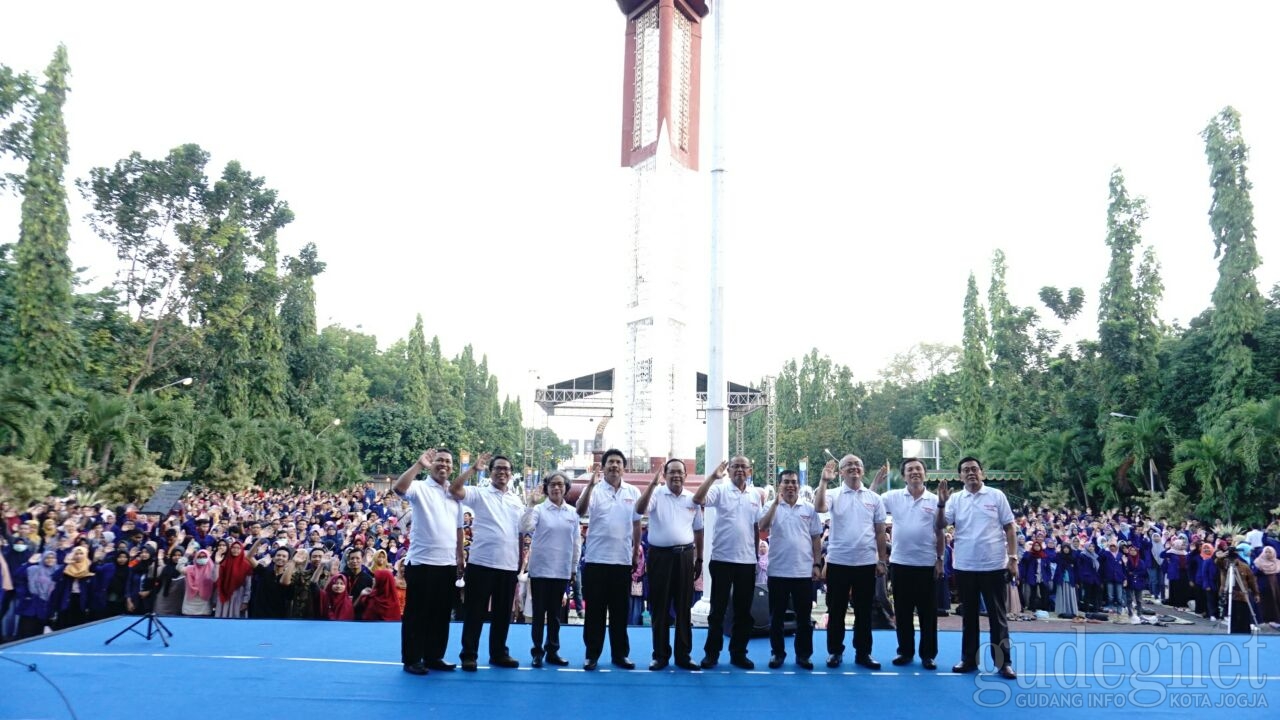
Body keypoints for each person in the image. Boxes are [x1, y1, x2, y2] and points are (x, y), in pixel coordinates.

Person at [936, 456, 1018, 680]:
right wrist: (941, 503)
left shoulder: (996, 496)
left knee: (997, 617)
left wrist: (1013, 558)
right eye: (965, 470)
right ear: (960, 476)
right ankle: (969, 659)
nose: (970, 473)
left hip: (993, 565)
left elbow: (1010, 528)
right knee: (969, 616)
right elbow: (941, 525)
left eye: (974, 469)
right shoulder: (955, 500)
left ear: (982, 472)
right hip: (965, 566)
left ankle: (1003, 663)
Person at [450, 453, 524, 671]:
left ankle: (499, 653)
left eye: (506, 469)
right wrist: (473, 469)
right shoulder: (479, 494)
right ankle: (469, 654)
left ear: (511, 474)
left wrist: (519, 560)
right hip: (482, 562)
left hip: (508, 564)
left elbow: (521, 531)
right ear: (490, 472)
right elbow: (454, 490)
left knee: (503, 614)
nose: (502, 472)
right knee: (475, 612)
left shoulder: (516, 500)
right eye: (498, 468)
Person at [394, 448, 464, 676]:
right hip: (422, 562)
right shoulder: (420, 488)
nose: (443, 464)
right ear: (431, 464)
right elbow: (399, 488)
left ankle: (435, 656)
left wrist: (460, 557)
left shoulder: (455, 492)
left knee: (441, 613)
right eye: (439, 460)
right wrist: (418, 464)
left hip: (447, 563)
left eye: (448, 461)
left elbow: (459, 528)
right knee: (417, 613)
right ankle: (413, 658)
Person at [813, 455, 887, 670]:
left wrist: (881, 560)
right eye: (849, 466)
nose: (854, 468)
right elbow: (819, 508)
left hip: (865, 563)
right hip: (838, 562)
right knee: (836, 610)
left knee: (864, 611)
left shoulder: (874, 498)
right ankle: (835, 651)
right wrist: (824, 481)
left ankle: (863, 653)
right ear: (841, 472)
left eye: (858, 465)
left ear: (863, 471)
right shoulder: (834, 494)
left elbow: (880, 531)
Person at [634, 459, 704, 671]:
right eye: (671, 472)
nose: (676, 476)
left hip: (685, 556)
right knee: (660, 607)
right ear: (664, 474)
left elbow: (699, 530)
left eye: (680, 472)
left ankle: (683, 655)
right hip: (660, 558)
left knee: (684, 608)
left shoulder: (692, 499)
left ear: (685, 475)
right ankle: (660, 655)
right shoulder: (656, 495)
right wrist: (652, 484)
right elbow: (639, 510)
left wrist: (699, 558)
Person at [576, 450, 642, 671]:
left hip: (622, 561)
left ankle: (620, 654)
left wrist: (635, 553)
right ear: (603, 467)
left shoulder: (632, 491)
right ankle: (591, 655)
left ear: (624, 467)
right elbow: (580, 510)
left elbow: (636, 524)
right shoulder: (593, 490)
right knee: (594, 611)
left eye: (618, 462)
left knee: (620, 612)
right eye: (610, 462)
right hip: (596, 560)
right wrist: (591, 486)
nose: (614, 465)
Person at [691, 456, 758, 670]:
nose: (739, 470)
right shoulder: (720, 490)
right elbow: (698, 499)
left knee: (743, 613)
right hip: (721, 560)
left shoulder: (756, 495)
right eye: (735, 466)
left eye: (743, 467)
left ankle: (739, 653)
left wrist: (755, 556)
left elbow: (756, 527)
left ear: (750, 471)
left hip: (746, 562)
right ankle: (712, 654)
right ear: (728, 471)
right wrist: (712, 476)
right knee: (717, 611)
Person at [880, 458, 943, 670]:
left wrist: (940, 559)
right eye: (910, 470)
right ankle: (905, 652)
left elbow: (940, 531)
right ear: (904, 475)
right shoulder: (893, 497)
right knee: (903, 612)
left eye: (918, 469)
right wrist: (876, 484)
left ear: (925, 474)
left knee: (928, 613)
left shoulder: (935, 500)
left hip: (926, 564)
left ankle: (928, 655)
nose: (914, 472)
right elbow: (870, 502)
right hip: (900, 563)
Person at [757, 469, 822, 670]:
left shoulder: (809, 509)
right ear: (780, 485)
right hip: (778, 571)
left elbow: (816, 538)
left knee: (804, 618)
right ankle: (777, 653)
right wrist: (776, 504)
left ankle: (803, 655)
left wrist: (817, 564)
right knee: (776, 618)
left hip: (803, 572)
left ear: (799, 485)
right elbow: (762, 526)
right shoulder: (770, 506)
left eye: (794, 482)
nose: (790, 485)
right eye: (786, 482)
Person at [520, 471, 581, 668]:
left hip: (561, 570)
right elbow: (525, 526)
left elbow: (576, 543)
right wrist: (530, 503)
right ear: (546, 488)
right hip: (540, 570)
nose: (556, 488)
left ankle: (553, 650)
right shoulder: (539, 509)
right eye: (553, 484)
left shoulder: (572, 513)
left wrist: (573, 567)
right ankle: (537, 652)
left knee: (555, 616)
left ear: (566, 488)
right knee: (538, 614)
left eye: (560, 485)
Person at [182, 548, 217, 616]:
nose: (201, 559)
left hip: (204, 606)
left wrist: (217, 563)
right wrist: (186, 555)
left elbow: (215, 579)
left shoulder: (212, 570)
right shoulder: (190, 569)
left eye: (204, 557)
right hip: (189, 607)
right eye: (199, 557)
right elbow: (178, 567)